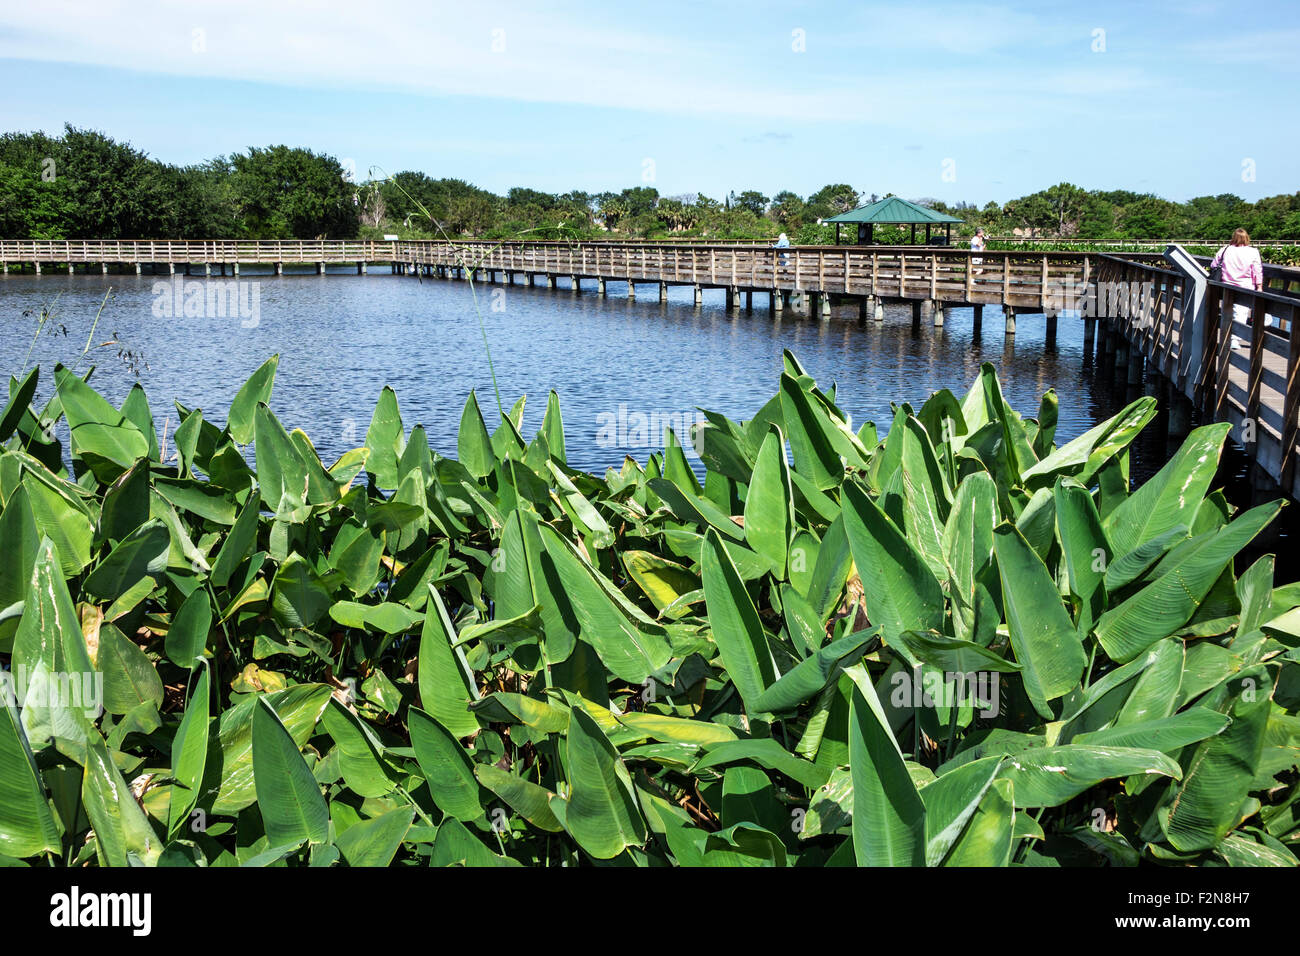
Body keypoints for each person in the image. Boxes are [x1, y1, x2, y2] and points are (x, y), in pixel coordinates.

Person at [1209, 228, 1266, 348]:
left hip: (1226, 285)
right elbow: (1257, 270)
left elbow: (1213, 265)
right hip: (1245, 286)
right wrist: (1259, 286)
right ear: (1247, 238)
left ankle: (1225, 335)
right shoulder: (1253, 251)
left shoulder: (1225, 250)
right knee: (1241, 313)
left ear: (1233, 237)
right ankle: (1234, 339)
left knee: (1227, 311)